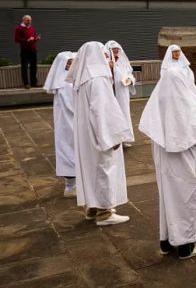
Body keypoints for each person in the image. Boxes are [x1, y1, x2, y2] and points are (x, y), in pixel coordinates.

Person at [139, 67, 196, 259]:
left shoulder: (158, 101)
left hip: (166, 163)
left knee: (168, 201)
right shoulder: (184, 101)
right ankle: (186, 245)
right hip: (185, 161)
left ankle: (166, 242)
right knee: (187, 199)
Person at [66, 41, 134, 226]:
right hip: (99, 135)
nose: (107, 58)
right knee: (104, 168)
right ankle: (105, 212)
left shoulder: (82, 81)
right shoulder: (98, 80)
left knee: (90, 170)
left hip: (86, 136)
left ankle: (92, 207)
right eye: (104, 55)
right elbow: (103, 111)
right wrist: (112, 137)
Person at [43, 51, 77, 198]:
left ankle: (73, 185)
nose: (72, 64)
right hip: (69, 123)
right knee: (70, 151)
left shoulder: (64, 82)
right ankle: (71, 187)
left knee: (70, 150)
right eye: (69, 62)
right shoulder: (65, 84)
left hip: (68, 122)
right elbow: (73, 106)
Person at [106, 41, 136, 148]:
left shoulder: (123, 61)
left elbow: (129, 74)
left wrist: (130, 80)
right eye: (113, 49)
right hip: (112, 94)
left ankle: (125, 139)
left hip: (123, 94)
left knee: (124, 114)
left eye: (117, 49)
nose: (115, 51)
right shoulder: (106, 62)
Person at [14, 15, 41, 88]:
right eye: (28, 20)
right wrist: (26, 40)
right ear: (23, 20)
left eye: (30, 20)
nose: (29, 22)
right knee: (24, 67)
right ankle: (26, 83)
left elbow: (34, 38)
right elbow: (16, 39)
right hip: (25, 50)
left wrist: (36, 39)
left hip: (33, 49)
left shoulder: (32, 28)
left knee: (34, 66)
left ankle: (33, 83)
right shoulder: (19, 28)